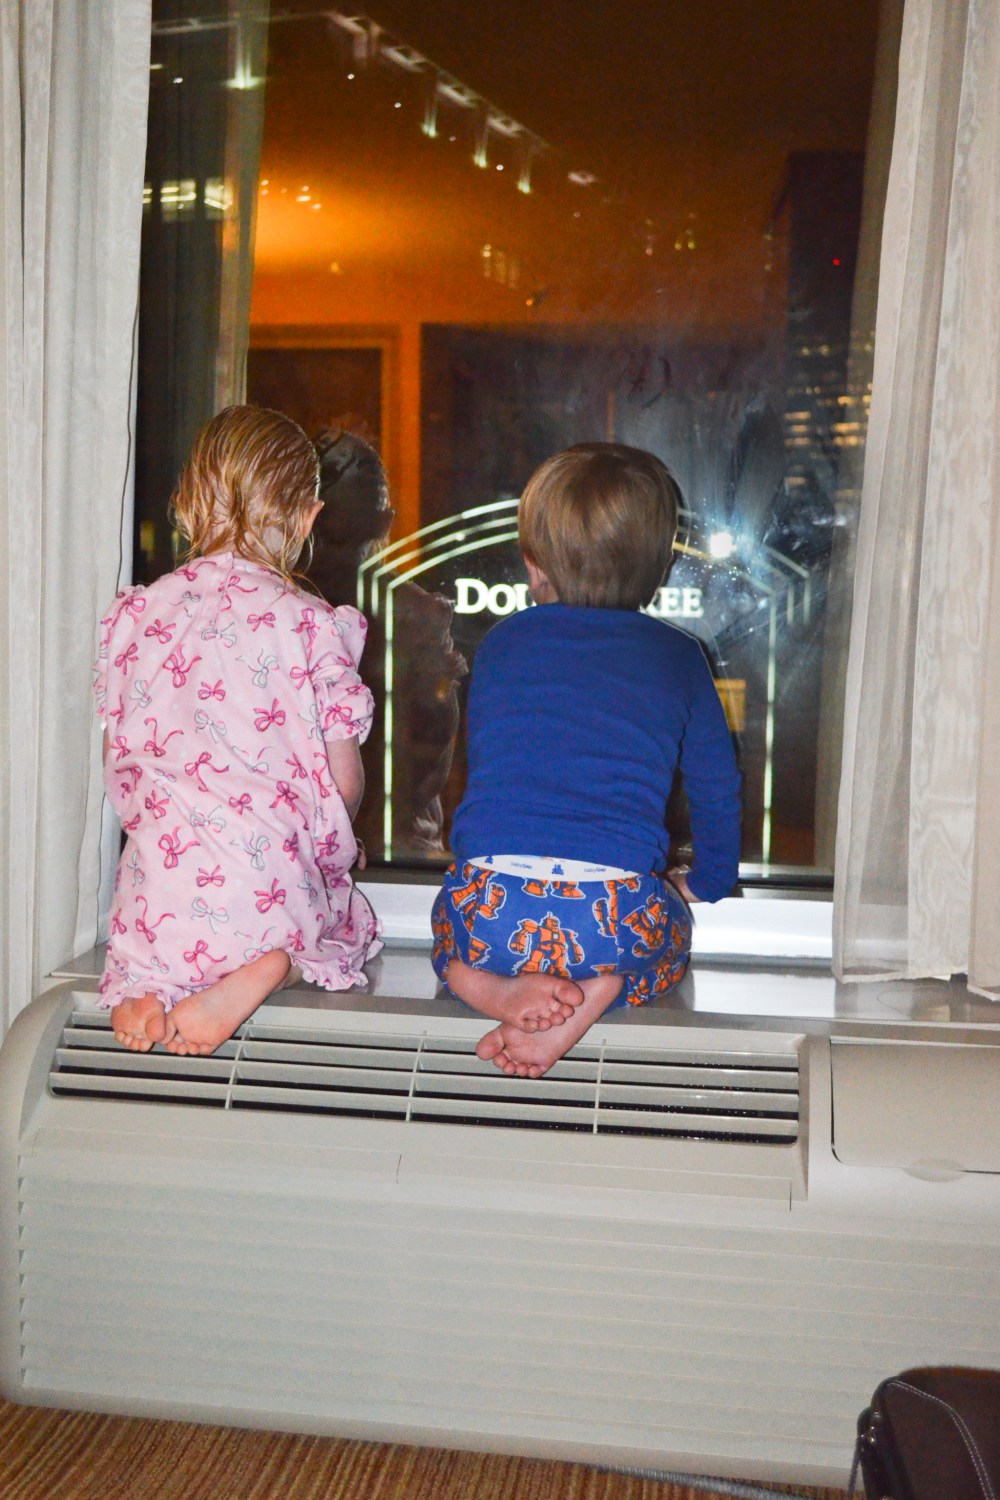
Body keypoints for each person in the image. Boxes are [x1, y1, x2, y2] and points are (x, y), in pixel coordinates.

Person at [431, 442, 741, 1078]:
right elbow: (718, 791)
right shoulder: (679, 657)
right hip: (612, 921)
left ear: (533, 566)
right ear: (657, 572)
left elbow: (481, 765)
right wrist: (704, 883)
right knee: (670, 935)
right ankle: (600, 992)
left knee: (444, 930)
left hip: (492, 913)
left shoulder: (500, 644)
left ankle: (484, 987)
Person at [93, 404, 381, 1056]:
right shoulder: (310, 625)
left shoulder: (136, 617)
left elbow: (121, 767)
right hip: (266, 901)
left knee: (146, 920)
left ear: (186, 506)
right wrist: (339, 840)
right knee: (331, 914)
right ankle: (266, 966)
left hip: (160, 900)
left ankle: (144, 988)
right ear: (308, 518)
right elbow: (342, 784)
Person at [308, 427, 466, 860]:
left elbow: (426, 760)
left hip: (392, 854)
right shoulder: (282, 614)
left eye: (342, 537)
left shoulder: (414, 618)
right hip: (338, 853)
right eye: (329, 535)